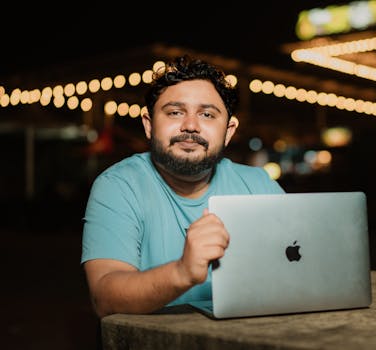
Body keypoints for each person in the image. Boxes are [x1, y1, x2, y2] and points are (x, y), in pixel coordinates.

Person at [81, 55, 285, 318]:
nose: (190, 125)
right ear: (149, 124)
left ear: (229, 130)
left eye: (207, 114)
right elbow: (104, 297)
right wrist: (182, 272)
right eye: (175, 112)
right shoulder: (119, 186)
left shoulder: (259, 186)